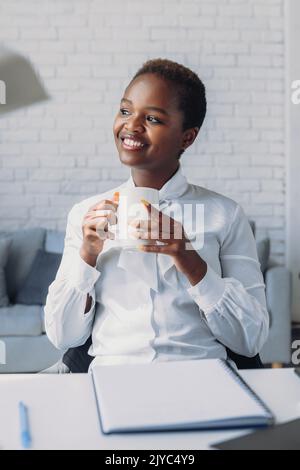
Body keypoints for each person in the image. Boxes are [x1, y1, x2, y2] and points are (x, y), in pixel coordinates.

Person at [44, 58, 269, 372]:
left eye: (152, 118)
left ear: (186, 137)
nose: (132, 126)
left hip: (203, 375)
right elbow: (61, 335)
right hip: (112, 377)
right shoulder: (85, 215)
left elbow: (252, 339)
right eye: (125, 111)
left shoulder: (225, 215)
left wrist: (188, 257)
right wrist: (87, 254)